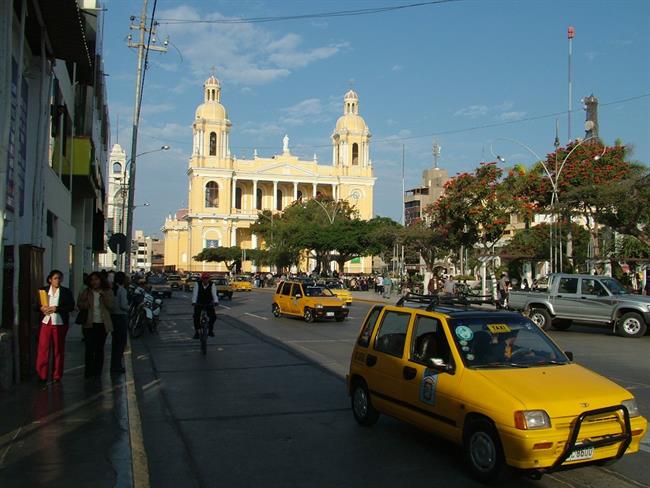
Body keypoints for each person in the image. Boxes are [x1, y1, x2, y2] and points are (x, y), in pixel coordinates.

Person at [36, 270, 76, 383]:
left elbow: (71, 306)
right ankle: (42, 375)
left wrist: (56, 308)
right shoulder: (43, 291)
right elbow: (36, 305)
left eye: (59, 278)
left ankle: (57, 375)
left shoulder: (65, 292)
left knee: (58, 349)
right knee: (43, 349)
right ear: (50, 280)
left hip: (59, 323)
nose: (57, 280)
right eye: (55, 278)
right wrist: (41, 308)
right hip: (46, 322)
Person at [77, 272, 115, 379]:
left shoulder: (108, 292)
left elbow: (111, 305)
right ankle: (89, 371)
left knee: (99, 349)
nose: (94, 282)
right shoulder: (86, 291)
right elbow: (79, 304)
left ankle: (98, 372)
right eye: (92, 280)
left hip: (102, 324)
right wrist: (86, 304)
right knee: (89, 348)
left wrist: (104, 296)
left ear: (101, 280)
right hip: (89, 324)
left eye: (96, 279)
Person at [110, 272, 130, 374]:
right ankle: (117, 366)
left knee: (115, 343)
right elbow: (123, 305)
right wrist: (129, 308)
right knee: (120, 343)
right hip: (121, 317)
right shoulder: (122, 290)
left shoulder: (113, 289)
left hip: (113, 317)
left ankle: (114, 365)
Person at [192, 273, 219, 339]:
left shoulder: (212, 284)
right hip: (199, 302)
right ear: (202, 279)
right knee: (196, 317)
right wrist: (194, 302)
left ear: (209, 279)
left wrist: (216, 301)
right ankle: (197, 332)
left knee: (213, 317)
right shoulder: (197, 284)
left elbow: (214, 294)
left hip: (208, 302)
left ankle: (210, 330)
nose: (205, 280)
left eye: (207, 278)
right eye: (204, 278)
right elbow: (195, 294)